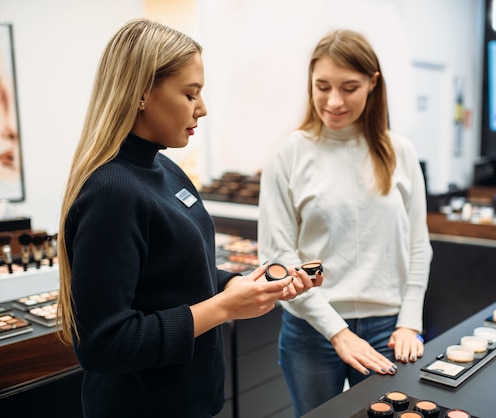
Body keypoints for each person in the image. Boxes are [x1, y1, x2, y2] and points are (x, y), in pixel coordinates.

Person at [56, 18, 319, 418]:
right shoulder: (111, 191)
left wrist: (246, 285)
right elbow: (104, 343)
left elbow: (177, 274)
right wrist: (225, 308)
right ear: (142, 93)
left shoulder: (166, 170)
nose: (204, 108)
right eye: (190, 93)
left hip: (194, 400)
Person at [257, 29, 433, 417]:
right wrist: (337, 331)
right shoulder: (289, 154)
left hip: (389, 328)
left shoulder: (399, 152)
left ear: (373, 83)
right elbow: (278, 256)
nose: (334, 101)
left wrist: (409, 321)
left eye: (349, 87)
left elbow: (419, 245)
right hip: (310, 328)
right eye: (322, 86)